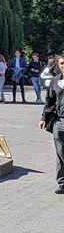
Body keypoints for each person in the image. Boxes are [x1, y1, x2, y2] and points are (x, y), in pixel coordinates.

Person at [39, 53, 64, 193]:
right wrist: (43, 118)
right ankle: (62, 183)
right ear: (58, 66)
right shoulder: (55, 81)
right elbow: (49, 101)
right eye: (62, 64)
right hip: (60, 122)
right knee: (60, 153)